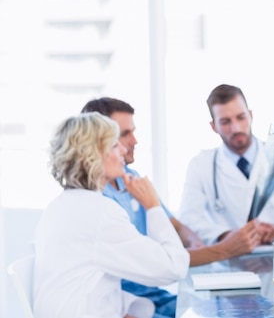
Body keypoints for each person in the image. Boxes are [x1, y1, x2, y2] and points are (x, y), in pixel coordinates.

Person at [81, 97, 261, 318]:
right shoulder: (97, 202)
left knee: (228, 311)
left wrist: (195, 244)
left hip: (154, 294)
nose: (134, 140)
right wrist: (225, 249)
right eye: (124, 134)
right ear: (101, 141)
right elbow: (162, 263)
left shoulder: (131, 178)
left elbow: (174, 226)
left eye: (133, 131)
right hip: (125, 303)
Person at [33, 112, 189, 318]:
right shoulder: (99, 212)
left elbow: (88, 283)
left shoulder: (58, 207)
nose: (123, 150)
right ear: (94, 155)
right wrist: (153, 206)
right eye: (115, 145)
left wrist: (127, 311)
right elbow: (173, 267)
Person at [179, 84, 274, 245]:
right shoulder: (200, 165)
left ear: (250, 116)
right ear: (213, 126)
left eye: (241, 117)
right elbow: (188, 221)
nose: (236, 128)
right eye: (225, 122)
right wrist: (226, 235)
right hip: (228, 265)